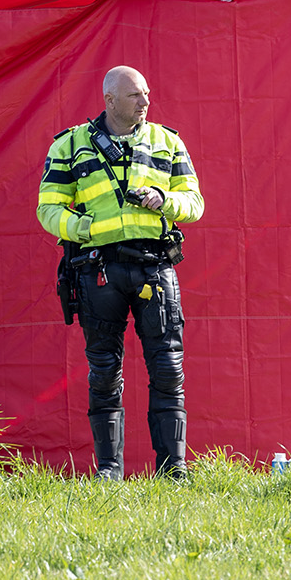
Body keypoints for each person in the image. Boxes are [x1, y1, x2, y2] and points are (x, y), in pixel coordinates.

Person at [36, 66, 204, 479]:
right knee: (104, 370)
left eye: (146, 94)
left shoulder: (168, 142)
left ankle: (173, 470)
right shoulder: (71, 145)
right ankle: (109, 471)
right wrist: (83, 228)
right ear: (109, 100)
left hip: (155, 267)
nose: (145, 102)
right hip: (100, 271)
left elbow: (195, 203)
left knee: (168, 367)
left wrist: (164, 199)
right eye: (135, 96)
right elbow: (48, 207)